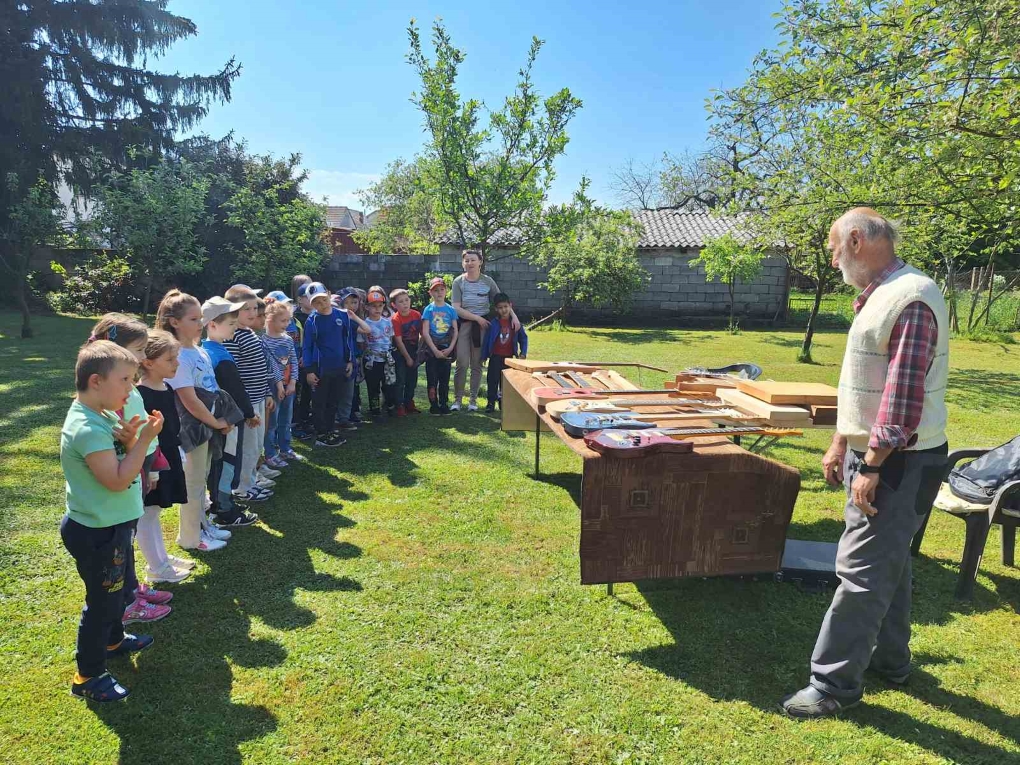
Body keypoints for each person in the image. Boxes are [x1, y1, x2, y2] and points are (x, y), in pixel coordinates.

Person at [781, 208, 949, 719]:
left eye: (835, 250)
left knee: (860, 573)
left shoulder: (910, 297)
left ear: (856, 240)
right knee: (887, 563)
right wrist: (841, 442)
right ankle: (891, 661)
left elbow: (901, 397)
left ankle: (832, 686)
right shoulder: (882, 294)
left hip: (898, 461)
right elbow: (865, 385)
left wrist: (872, 465)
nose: (834, 262)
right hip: (884, 454)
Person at [61, 340, 163, 702]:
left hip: (113, 525)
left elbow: (121, 461)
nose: (131, 388)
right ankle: (87, 675)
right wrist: (144, 441)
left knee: (116, 592)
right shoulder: (87, 428)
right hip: (97, 532)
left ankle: (113, 640)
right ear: (96, 381)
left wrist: (131, 440)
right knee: (102, 602)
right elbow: (117, 479)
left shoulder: (102, 415)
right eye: (125, 380)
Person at [86, 314, 172, 626]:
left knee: (128, 534)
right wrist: (141, 463)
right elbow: (119, 441)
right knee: (121, 539)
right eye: (138, 350)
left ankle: (132, 589)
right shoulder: (110, 398)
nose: (143, 356)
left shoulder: (128, 386)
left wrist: (153, 464)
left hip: (141, 463)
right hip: (128, 469)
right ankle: (127, 602)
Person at [157, 290, 232, 552]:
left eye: (201, 318)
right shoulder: (178, 356)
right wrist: (216, 422)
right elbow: (189, 400)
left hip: (207, 424)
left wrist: (220, 419)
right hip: (192, 428)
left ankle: (203, 526)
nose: (200, 323)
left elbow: (210, 388)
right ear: (174, 322)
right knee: (193, 483)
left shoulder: (198, 351)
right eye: (193, 319)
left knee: (202, 479)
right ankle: (190, 538)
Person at [136, 329, 193, 585]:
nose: (176, 363)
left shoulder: (166, 387)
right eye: (170, 359)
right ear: (148, 362)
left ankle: (162, 558)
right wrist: (151, 468)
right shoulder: (141, 394)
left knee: (155, 511)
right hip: (153, 460)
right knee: (147, 513)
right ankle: (156, 567)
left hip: (169, 454)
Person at [202, 297, 263, 524]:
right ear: (212, 325)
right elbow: (235, 389)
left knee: (220, 462)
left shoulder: (208, 349)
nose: (235, 327)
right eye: (230, 324)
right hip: (227, 420)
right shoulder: (218, 355)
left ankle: (221, 502)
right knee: (226, 461)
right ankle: (224, 509)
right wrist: (249, 413)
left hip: (220, 418)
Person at [223, 285, 276, 502]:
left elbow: (260, 367)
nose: (253, 313)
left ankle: (251, 482)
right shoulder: (232, 336)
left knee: (255, 446)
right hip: (246, 403)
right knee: (246, 448)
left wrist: (267, 393)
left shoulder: (249, 333)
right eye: (247, 309)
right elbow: (232, 374)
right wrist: (245, 408)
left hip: (258, 398)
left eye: (255, 308)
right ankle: (242, 489)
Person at [450, 249, 519, 411]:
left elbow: (502, 300)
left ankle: (473, 401)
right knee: (462, 363)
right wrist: (476, 318)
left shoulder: (488, 281)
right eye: (466, 260)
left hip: (482, 328)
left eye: (473, 260)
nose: (470, 263)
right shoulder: (458, 282)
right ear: (463, 263)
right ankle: (457, 401)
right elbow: (456, 308)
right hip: (464, 326)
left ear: (480, 262)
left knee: (477, 364)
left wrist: (514, 317)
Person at [303, 282, 357, 447]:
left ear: (328, 294)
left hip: (339, 366)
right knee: (320, 402)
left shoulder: (342, 316)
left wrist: (350, 360)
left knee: (334, 401)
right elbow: (307, 346)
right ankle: (321, 434)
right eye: (316, 302)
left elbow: (347, 340)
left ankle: (330, 429)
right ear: (312, 304)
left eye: (323, 299)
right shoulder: (312, 321)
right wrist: (309, 371)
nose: (321, 304)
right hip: (320, 369)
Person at [262, 296, 299, 466]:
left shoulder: (288, 339)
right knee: (272, 422)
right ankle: (270, 454)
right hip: (273, 387)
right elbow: (271, 366)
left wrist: (293, 382)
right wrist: (278, 385)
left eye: (288, 320)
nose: (287, 324)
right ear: (269, 319)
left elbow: (293, 361)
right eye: (283, 321)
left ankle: (285, 449)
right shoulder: (263, 341)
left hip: (288, 386)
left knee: (286, 419)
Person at [480, 293, 528, 412]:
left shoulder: (515, 323)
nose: (504, 310)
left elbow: (523, 338)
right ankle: (490, 403)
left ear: (510, 305)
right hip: (495, 357)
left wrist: (523, 353)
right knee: (492, 380)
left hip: (509, 359)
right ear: (496, 309)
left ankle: (503, 403)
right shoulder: (494, 323)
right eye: (500, 308)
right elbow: (487, 340)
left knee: (505, 382)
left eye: (506, 306)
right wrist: (484, 356)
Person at [421, 277, 459, 415]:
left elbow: (455, 331)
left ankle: (444, 404)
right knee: (432, 379)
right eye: (436, 290)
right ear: (430, 293)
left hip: (446, 347)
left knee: (444, 380)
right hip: (432, 349)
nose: (439, 293)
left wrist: (450, 348)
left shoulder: (451, 310)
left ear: (446, 291)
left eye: (442, 289)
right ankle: (434, 405)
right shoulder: (428, 310)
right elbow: (425, 332)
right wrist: (434, 350)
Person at [362, 287, 397, 417]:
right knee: (373, 385)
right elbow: (361, 342)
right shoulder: (364, 323)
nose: (377, 309)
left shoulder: (387, 322)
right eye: (373, 306)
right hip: (372, 360)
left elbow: (390, 339)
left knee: (389, 384)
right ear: (367, 307)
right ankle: (375, 409)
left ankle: (389, 405)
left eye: (380, 305)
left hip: (386, 359)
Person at [390, 287, 422, 416]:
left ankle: (409, 402)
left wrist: (420, 351)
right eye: (401, 301)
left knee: (412, 379)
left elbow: (422, 334)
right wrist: (408, 358)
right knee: (400, 379)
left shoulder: (416, 315)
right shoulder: (395, 319)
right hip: (400, 351)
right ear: (394, 305)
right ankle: (399, 405)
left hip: (414, 349)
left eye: (406, 300)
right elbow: (398, 341)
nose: (405, 303)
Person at [290, 277, 315, 440]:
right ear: (299, 299)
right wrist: (299, 357)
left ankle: (306, 420)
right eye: (308, 296)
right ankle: (296, 424)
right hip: (297, 362)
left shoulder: (317, 315)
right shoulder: (293, 317)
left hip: (312, 361)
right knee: (297, 394)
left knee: (308, 392)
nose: (312, 299)